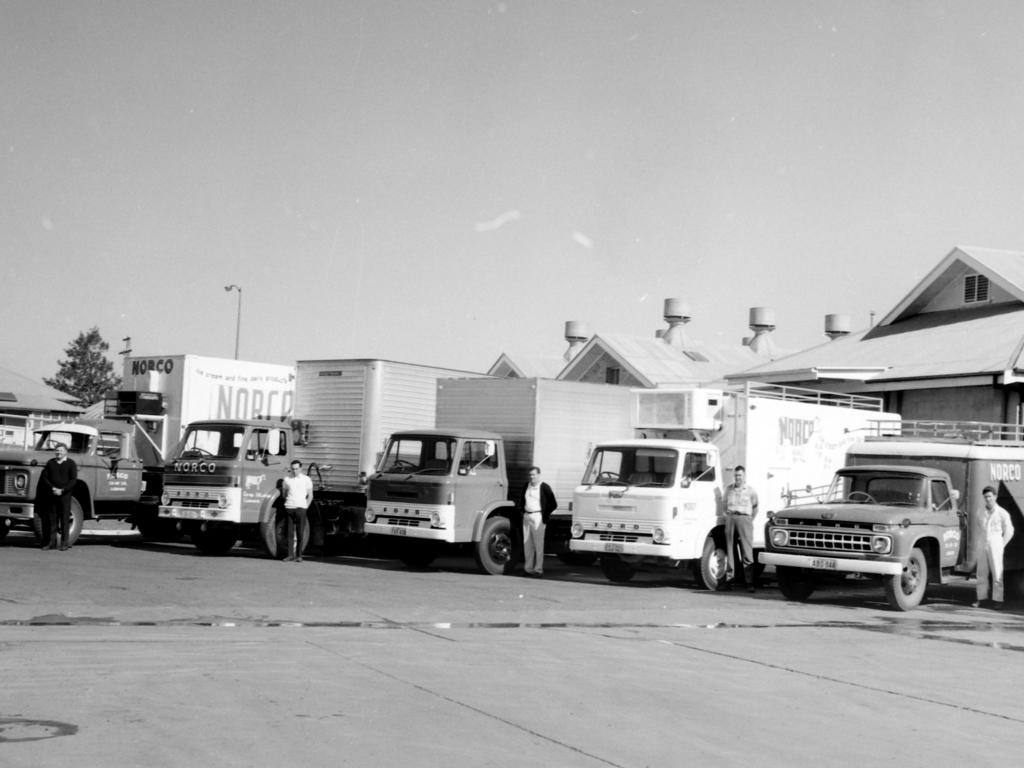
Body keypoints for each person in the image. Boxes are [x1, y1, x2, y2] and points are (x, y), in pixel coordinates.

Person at [973, 485, 1014, 609]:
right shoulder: (980, 512)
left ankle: (998, 600)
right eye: (985, 497)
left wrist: (1002, 543)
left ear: (995, 497)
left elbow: (1010, 530)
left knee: (997, 572)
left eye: (990, 496)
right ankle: (981, 598)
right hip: (983, 543)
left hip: (996, 543)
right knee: (981, 572)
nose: (988, 499)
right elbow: (979, 527)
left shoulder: (1002, 513)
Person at [724, 465, 759, 591]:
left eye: (740, 475)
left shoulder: (750, 491)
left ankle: (749, 583)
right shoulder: (729, 489)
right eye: (736, 475)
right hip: (731, 518)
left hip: (745, 519)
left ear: (744, 476)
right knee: (730, 550)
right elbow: (724, 505)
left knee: (747, 552)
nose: (738, 478)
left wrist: (748, 519)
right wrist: (729, 517)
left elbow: (755, 508)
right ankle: (729, 580)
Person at [40, 443, 78, 551]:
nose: (58, 452)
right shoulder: (50, 463)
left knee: (65, 519)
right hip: (52, 495)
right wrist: (52, 488)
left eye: (61, 450)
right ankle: (51, 543)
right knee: (52, 520)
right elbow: (45, 478)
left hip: (65, 495)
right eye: (57, 450)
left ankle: (64, 543)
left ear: (66, 452)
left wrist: (62, 490)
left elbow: (73, 480)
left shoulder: (71, 463)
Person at [520, 466, 557, 577]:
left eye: (534, 475)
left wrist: (544, 515)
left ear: (538, 475)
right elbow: (522, 500)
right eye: (530, 475)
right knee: (527, 544)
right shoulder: (526, 486)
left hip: (538, 517)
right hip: (527, 516)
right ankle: (528, 569)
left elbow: (553, 504)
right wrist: (522, 511)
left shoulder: (544, 487)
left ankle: (538, 570)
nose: (531, 477)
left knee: (538, 545)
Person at [281, 459, 314, 562]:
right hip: (290, 507)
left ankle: (299, 555)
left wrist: (305, 507)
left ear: (301, 468)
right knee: (289, 532)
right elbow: (284, 494)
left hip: (301, 508)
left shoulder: (306, 479)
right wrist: (288, 503)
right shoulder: (287, 479)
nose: (294, 471)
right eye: (293, 469)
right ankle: (290, 555)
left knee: (300, 532)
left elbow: (310, 495)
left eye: (296, 469)